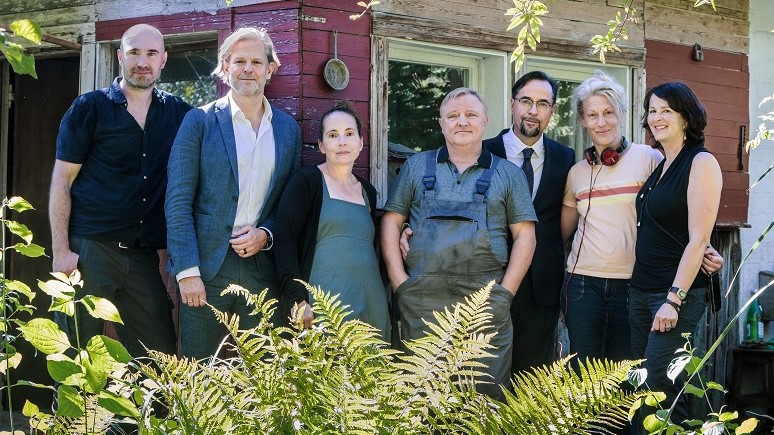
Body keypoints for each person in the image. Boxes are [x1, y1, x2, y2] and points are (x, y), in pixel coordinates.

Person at [382, 87, 537, 399]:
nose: (461, 122)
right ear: (441, 123)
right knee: (422, 403)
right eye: (453, 116)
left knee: (482, 406)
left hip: (485, 305)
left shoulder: (508, 174)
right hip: (422, 305)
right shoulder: (416, 167)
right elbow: (391, 222)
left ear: (485, 122)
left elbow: (525, 236)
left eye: (470, 115)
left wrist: (505, 294)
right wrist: (400, 284)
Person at [49, 24, 189, 358]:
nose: (143, 61)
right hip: (90, 250)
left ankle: (148, 414)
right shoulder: (89, 108)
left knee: (160, 357)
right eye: (135, 52)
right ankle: (69, 414)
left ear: (164, 59)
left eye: (152, 53)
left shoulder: (180, 114)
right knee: (74, 353)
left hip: (142, 255)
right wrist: (61, 250)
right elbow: (62, 181)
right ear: (119, 56)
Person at [165, 27, 302, 360]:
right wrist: (187, 272)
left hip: (262, 268)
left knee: (266, 374)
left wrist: (267, 233)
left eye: (257, 61)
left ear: (271, 68)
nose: (248, 68)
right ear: (224, 67)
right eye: (239, 61)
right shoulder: (198, 121)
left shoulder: (288, 130)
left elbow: (289, 203)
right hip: (206, 270)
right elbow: (178, 201)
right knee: (199, 374)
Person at [629, 82, 722, 426]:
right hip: (640, 291)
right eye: (652, 111)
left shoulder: (701, 162)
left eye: (666, 110)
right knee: (641, 388)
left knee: (660, 383)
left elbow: (699, 240)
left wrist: (674, 298)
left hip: (674, 295)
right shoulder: (661, 167)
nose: (657, 117)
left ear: (687, 117)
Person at [483, 71, 575, 374]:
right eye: (526, 101)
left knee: (529, 379)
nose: (533, 111)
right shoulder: (484, 152)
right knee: (482, 375)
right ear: (512, 104)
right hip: (488, 281)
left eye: (542, 103)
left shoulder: (565, 158)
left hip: (542, 286)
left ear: (553, 111)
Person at [274, 102, 389, 341]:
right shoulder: (306, 182)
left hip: (371, 302)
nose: (342, 142)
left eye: (349, 134)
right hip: (322, 307)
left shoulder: (368, 191)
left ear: (360, 142)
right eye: (332, 135)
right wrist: (297, 300)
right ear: (321, 145)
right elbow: (284, 241)